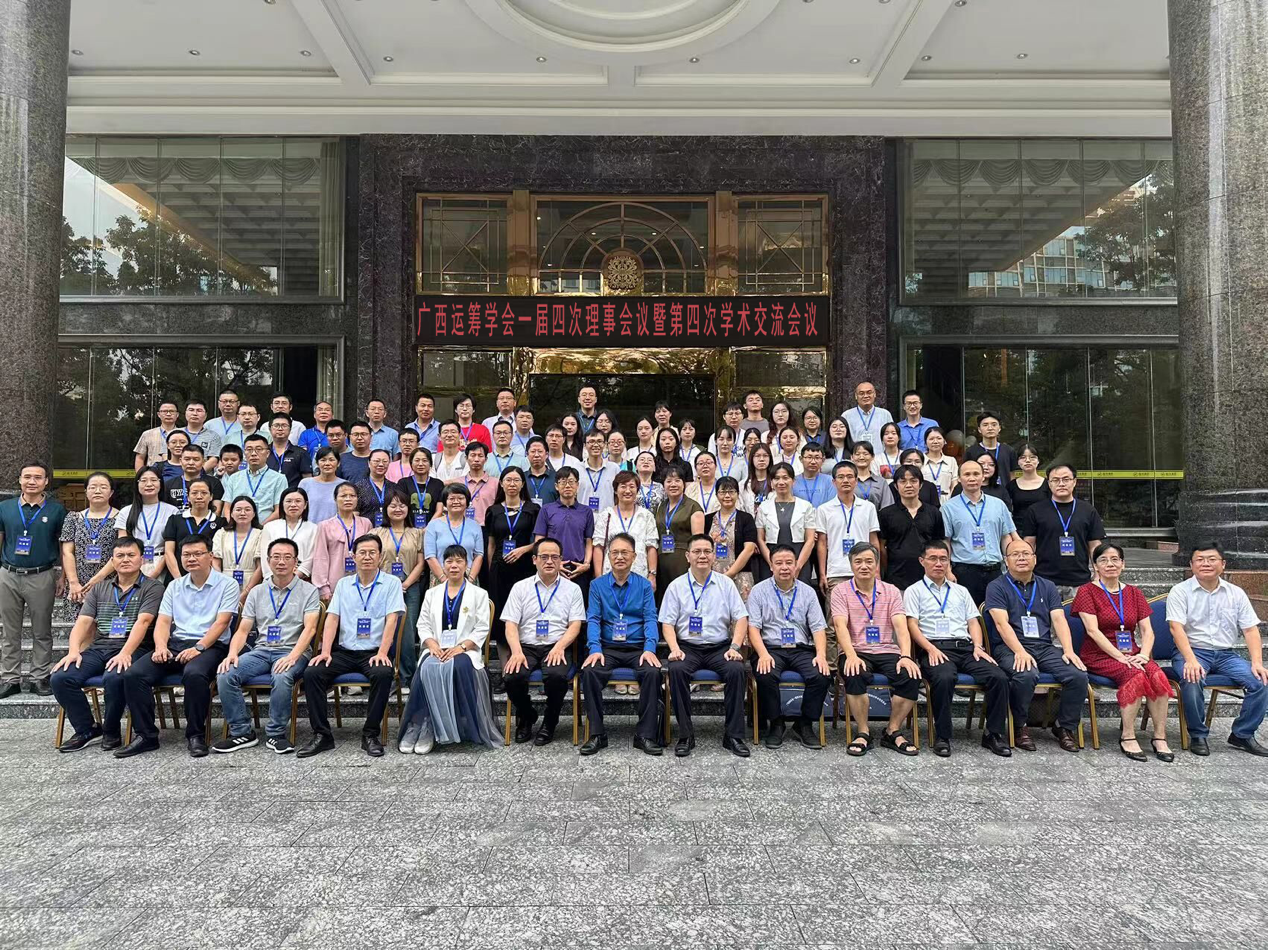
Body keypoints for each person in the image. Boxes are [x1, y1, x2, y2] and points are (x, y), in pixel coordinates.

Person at [116, 535, 238, 758]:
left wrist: (199, 648)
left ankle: (196, 735)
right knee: (134, 674)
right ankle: (146, 735)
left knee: (194, 674)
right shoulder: (174, 586)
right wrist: (161, 646)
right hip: (175, 644)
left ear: (210, 556)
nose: (192, 559)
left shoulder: (227, 584)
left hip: (211, 646)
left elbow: (222, 623)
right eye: (186, 554)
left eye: (198, 554)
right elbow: (163, 622)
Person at [50, 538, 163, 751]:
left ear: (142, 559)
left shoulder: (153, 587)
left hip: (136, 648)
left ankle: (111, 730)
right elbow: (83, 622)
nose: (125, 560)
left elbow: (144, 622)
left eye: (131, 555)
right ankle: (87, 729)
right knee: (61, 677)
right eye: (120, 556)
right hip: (100, 646)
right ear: (112, 561)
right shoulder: (100, 588)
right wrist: (73, 651)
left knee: (115, 676)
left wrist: (125, 653)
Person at [300, 534, 406, 758]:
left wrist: (383, 652)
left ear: (380, 556)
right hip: (344, 652)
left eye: (372, 553)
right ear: (353, 556)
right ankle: (322, 735)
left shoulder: (391, 583)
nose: (367, 557)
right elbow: (332, 618)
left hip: (374, 652)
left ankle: (370, 734)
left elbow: (392, 620)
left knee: (382, 673)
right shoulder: (343, 584)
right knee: (312, 673)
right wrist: (325, 651)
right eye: (362, 553)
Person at [213, 537, 322, 754]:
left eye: (287, 557)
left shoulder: (309, 590)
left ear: (296, 562)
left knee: (282, 676)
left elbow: (310, 629)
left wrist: (292, 657)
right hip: (261, 651)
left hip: (293, 650)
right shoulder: (257, 592)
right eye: (276, 557)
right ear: (268, 560)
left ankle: (275, 734)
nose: (281, 562)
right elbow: (243, 630)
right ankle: (242, 732)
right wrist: (232, 653)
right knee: (226, 673)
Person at [903, 539, 1011, 757]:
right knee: (944, 678)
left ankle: (993, 734)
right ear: (922, 561)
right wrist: (930, 649)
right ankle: (942, 736)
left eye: (943, 559)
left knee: (998, 677)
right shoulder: (914, 591)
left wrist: (978, 646)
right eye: (933, 559)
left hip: (966, 647)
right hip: (934, 647)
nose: (938, 563)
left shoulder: (961, 591)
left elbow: (973, 622)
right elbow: (912, 625)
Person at [1073, 542, 1175, 762]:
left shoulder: (1134, 593)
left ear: (1123, 564)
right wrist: (1120, 657)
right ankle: (1128, 735)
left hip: (1133, 653)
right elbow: (1092, 631)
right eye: (1103, 560)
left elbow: (1147, 630)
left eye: (1115, 559)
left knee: (1157, 675)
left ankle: (1159, 737)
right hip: (1099, 655)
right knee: (1135, 675)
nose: (1110, 564)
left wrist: (1144, 655)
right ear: (1095, 566)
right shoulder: (1086, 591)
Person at [985, 538, 1088, 753]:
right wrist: (1020, 651)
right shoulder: (996, 586)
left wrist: (1068, 650)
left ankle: (1064, 726)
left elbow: (1059, 619)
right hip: (1009, 647)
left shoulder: (1047, 586)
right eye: (1015, 554)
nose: (1021, 558)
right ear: (1006, 560)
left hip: (1044, 646)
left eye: (1026, 554)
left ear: (1035, 558)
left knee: (1077, 674)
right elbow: (1001, 624)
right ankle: (1019, 726)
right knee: (1026, 674)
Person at [1166, 543, 1268, 757]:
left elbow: (1250, 629)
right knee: (1192, 677)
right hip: (1193, 651)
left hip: (1225, 654)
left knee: (1260, 681)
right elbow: (1176, 628)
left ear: (1223, 564)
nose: (1206, 563)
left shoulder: (1236, 593)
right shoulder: (1180, 591)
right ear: (1191, 565)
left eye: (1212, 559)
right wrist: (1190, 659)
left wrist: (1257, 662)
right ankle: (1198, 735)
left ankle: (1242, 734)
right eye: (1200, 559)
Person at [398, 544, 499, 754]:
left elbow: (482, 628)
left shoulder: (479, 594)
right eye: (449, 561)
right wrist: (432, 645)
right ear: (443, 565)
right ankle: (422, 724)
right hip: (436, 648)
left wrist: (461, 647)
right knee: (427, 667)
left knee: (457, 666)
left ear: (466, 565)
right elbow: (422, 624)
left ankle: (436, 725)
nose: (454, 566)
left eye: (459, 561)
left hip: (465, 651)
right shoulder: (432, 593)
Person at [660, 534, 751, 757]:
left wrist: (735, 647)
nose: (702, 556)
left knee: (736, 670)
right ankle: (685, 735)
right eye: (697, 551)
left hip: (720, 647)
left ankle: (734, 736)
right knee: (677, 669)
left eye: (707, 551)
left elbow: (741, 618)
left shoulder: (726, 584)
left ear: (713, 556)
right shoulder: (676, 586)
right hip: (687, 647)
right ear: (687, 556)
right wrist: (674, 648)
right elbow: (667, 623)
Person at [831, 542, 919, 756]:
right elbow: (840, 626)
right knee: (854, 673)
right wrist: (850, 655)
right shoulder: (840, 591)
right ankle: (863, 732)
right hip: (856, 650)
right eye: (858, 562)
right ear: (851, 565)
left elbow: (901, 626)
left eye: (869, 561)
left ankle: (892, 730)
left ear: (877, 564)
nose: (864, 566)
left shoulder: (891, 591)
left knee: (910, 675)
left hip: (887, 649)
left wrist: (906, 656)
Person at [579, 533, 663, 756]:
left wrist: (650, 648)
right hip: (607, 647)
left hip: (637, 647)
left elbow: (650, 618)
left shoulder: (644, 586)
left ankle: (645, 735)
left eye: (624, 552)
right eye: (615, 552)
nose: (619, 557)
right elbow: (593, 618)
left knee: (652, 672)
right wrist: (595, 648)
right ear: (608, 556)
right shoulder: (597, 585)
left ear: (634, 556)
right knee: (590, 671)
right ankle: (597, 734)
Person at [501, 537, 586, 745]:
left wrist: (559, 647)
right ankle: (527, 715)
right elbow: (510, 624)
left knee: (557, 676)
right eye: (544, 557)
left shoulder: (572, 589)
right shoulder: (520, 587)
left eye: (554, 557)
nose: (549, 561)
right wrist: (516, 651)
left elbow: (575, 625)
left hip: (557, 645)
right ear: (534, 560)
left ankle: (550, 721)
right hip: (526, 647)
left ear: (561, 560)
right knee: (512, 677)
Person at [748, 544, 831, 750]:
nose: (784, 567)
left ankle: (804, 723)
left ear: (796, 566)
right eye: (779, 563)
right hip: (770, 648)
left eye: (789, 563)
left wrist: (821, 654)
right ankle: (776, 723)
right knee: (765, 674)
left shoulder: (808, 592)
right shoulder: (759, 591)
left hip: (801, 648)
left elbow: (818, 628)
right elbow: (753, 628)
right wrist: (763, 654)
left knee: (821, 674)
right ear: (771, 566)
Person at [1019, 464, 1106, 600]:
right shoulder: (1035, 510)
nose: (1061, 484)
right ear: (1049, 484)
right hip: (1044, 580)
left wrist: (1098, 572)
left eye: (1066, 479)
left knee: (1079, 615)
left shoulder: (1088, 510)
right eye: (1055, 480)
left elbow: (1095, 546)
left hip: (1079, 580)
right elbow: (1028, 545)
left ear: (1074, 482)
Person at [941, 458, 1018, 608]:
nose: (972, 478)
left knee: (998, 613)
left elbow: (1005, 537)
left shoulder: (998, 505)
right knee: (968, 615)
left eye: (976, 474)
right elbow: (946, 542)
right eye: (967, 474)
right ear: (959, 479)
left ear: (983, 477)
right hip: (965, 571)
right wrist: (948, 571)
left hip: (995, 571)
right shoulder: (948, 508)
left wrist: (1010, 566)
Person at [373, 488, 426, 682]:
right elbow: (372, 561)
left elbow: (421, 563)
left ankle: (406, 676)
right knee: (383, 629)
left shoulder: (417, 533)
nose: (397, 509)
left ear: (408, 509)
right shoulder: (376, 533)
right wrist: (393, 586)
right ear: (386, 509)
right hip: (382, 587)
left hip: (410, 587)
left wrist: (404, 584)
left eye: (402, 505)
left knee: (407, 631)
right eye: (393, 505)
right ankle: (384, 674)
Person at [485, 467, 540, 648]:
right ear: (501, 483)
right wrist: (491, 569)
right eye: (508, 480)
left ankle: (522, 651)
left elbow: (539, 541)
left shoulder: (533, 509)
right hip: (500, 569)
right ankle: (503, 657)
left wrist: (523, 550)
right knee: (501, 613)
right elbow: (491, 544)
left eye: (516, 480)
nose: (512, 484)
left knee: (523, 610)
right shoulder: (493, 511)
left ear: (523, 484)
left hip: (524, 568)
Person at [815, 461, 881, 605]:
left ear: (856, 481)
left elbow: (874, 541)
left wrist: (877, 570)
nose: (845, 480)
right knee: (835, 616)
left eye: (850, 477)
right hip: (836, 571)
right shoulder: (824, 509)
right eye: (841, 477)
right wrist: (822, 573)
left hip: (865, 570)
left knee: (865, 613)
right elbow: (822, 543)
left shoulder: (868, 507)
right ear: (833, 482)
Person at [878, 464, 946, 590]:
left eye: (913, 481)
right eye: (903, 481)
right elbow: (881, 547)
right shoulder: (885, 514)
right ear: (895, 486)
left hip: (928, 579)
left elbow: (940, 544)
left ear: (921, 485)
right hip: (896, 579)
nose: (908, 485)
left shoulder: (934, 512)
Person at [533, 468, 594, 600]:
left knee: (578, 608)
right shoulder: (546, 510)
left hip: (578, 569)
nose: (567, 486)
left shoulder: (586, 511)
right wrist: (553, 564)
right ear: (556, 486)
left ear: (577, 485)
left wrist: (586, 564)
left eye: (571, 482)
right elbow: (539, 541)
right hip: (552, 568)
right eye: (563, 482)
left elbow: (589, 541)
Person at [59, 471, 118, 606]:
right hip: (77, 585)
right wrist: (74, 582)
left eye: (103, 487)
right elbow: (67, 552)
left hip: (109, 581)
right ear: (86, 492)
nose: (97, 491)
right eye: (92, 487)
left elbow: (120, 553)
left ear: (111, 492)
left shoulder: (121, 518)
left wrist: (97, 580)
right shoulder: (73, 518)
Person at [755, 463, 817, 585]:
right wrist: (772, 564)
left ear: (793, 481)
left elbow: (810, 540)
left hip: (799, 558)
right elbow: (760, 539)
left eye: (785, 478)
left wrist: (797, 566)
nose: (781, 482)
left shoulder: (806, 506)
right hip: (770, 561)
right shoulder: (764, 507)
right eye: (776, 478)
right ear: (771, 482)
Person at [312, 482, 372, 601]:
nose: (348, 499)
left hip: (363, 582)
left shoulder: (366, 523)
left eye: (352, 496)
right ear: (335, 499)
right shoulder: (325, 526)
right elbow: (320, 557)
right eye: (343, 496)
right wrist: (323, 587)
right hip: (334, 584)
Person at [114, 468, 177, 583]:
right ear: (137, 484)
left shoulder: (172, 511)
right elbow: (122, 545)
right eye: (143, 480)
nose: (149, 484)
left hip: (163, 564)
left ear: (160, 483)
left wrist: (155, 573)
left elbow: (171, 547)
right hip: (134, 564)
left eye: (153, 480)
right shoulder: (126, 512)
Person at [593, 471, 658, 581]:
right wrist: (599, 577)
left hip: (639, 575)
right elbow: (599, 547)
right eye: (623, 487)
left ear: (637, 490)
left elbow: (651, 547)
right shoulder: (606, 515)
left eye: (632, 487)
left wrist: (652, 575)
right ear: (615, 490)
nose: (628, 491)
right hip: (610, 576)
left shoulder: (646, 516)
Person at [703, 477, 757, 602]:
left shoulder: (746, 519)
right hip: (712, 577)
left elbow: (749, 549)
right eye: (723, 492)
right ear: (716, 495)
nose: (727, 496)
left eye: (731, 492)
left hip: (740, 576)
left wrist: (729, 575)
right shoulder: (707, 519)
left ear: (737, 494)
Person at [653, 469, 704, 602]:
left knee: (683, 598)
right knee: (664, 599)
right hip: (661, 559)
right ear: (664, 485)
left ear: (684, 484)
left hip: (683, 561)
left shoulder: (693, 507)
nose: (673, 484)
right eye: (669, 481)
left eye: (677, 480)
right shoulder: (661, 506)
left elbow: (698, 541)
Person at [424, 484, 484, 587]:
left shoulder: (475, 526)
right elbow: (430, 556)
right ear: (445, 502)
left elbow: (479, 555)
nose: (456, 502)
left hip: (468, 577)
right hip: (441, 577)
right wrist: (443, 580)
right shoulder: (433, 525)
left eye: (460, 498)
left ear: (467, 502)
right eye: (451, 498)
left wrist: (470, 580)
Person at [213, 496, 263, 613]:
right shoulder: (222, 533)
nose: (242, 513)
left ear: (254, 514)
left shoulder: (261, 534)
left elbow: (260, 567)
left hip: (251, 582)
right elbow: (215, 562)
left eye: (247, 509)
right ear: (231, 513)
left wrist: (246, 592)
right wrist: (222, 584)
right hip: (224, 581)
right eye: (238, 509)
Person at [161, 477, 218, 577]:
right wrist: (179, 580)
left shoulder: (220, 522)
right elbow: (169, 552)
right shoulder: (175, 520)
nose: (199, 497)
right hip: (177, 576)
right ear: (188, 497)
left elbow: (217, 557)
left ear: (211, 497)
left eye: (204, 493)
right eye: (194, 493)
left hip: (208, 578)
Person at [222, 435, 286, 523]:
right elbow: (227, 507)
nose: (253, 454)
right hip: (237, 527)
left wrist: (260, 527)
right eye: (249, 449)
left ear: (267, 453)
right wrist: (230, 525)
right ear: (244, 453)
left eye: (258, 449)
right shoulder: (234, 478)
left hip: (267, 527)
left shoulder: (279, 479)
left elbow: (279, 510)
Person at [260, 487, 317, 584]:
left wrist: (296, 576)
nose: (293, 505)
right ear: (282, 504)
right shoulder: (270, 527)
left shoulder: (314, 528)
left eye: (298, 501)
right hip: (273, 580)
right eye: (289, 501)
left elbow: (312, 556)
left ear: (305, 505)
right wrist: (272, 577)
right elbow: (265, 555)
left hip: (301, 579)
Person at [395, 447, 443, 528]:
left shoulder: (438, 484)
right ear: (411, 463)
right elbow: (400, 507)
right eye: (417, 460)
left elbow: (439, 510)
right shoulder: (403, 483)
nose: (420, 464)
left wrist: (428, 528)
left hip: (432, 528)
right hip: (408, 529)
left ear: (430, 464)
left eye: (424, 460)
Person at [965, 413, 1017, 486]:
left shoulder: (1009, 451)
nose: (990, 428)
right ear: (979, 429)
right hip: (979, 491)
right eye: (985, 425)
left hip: (1004, 491)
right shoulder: (971, 452)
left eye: (994, 425)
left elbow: (1012, 475)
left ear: (999, 428)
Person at [298, 447, 346, 524]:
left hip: (335, 528)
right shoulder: (305, 483)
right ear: (317, 463)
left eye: (331, 460)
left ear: (338, 463)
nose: (327, 463)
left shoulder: (344, 485)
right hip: (309, 528)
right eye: (323, 460)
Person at [577, 429, 620, 515]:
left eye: (599, 441)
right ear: (585, 445)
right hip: (582, 517)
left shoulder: (614, 468)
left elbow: (618, 496)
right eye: (591, 441)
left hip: (608, 518)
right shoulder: (577, 468)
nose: (596, 445)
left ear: (605, 444)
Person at [265, 413, 312, 489]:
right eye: (276, 425)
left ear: (290, 429)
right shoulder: (263, 452)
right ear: (270, 429)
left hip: (292, 494)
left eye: (284, 426)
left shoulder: (300, 453)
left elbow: (307, 480)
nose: (280, 429)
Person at [843, 381, 894, 449]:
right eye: (861, 393)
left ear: (874, 394)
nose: (865, 396)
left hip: (879, 455)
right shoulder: (847, 416)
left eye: (869, 392)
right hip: (856, 455)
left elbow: (892, 437)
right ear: (856, 396)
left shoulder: (885, 414)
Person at [1006, 443, 1049, 522]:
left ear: (1038, 461)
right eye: (1023, 457)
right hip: (1018, 527)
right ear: (1018, 462)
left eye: (1032, 457)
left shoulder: (1048, 484)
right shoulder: (1011, 486)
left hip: (1043, 526)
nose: (1028, 460)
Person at [459, 443, 499, 526]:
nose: (476, 459)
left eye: (480, 456)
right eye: (473, 455)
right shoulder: (458, 483)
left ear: (486, 459)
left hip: (488, 527)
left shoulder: (496, 483)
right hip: (463, 527)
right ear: (466, 458)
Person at [133, 400, 181, 471]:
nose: (168, 414)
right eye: (164, 411)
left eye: (172, 411)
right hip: (152, 474)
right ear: (159, 414)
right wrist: (141, 475)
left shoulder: (183, 435)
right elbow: (140, 458)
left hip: (177, 474)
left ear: (177, 414)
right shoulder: (147, 434)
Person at [354, 450, 395, 524]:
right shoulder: (358, 487)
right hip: (366, 529)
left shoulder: (394, 487)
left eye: (385, 461)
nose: (381, 464)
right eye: (376, 461)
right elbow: (355, 514)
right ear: (369, 463)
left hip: (390, 529)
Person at [181, 400, 224, 471]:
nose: (195, 413)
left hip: (202, 475)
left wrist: (197, 473)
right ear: (185, 413)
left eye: (199, 410)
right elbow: (167, 455)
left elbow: (213, 460)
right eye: (191, 410)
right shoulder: (175, 433)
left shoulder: (213, 436)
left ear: (205, 415)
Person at [850, 442, 894, 510]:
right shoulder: (848, 481)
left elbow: (888, 507)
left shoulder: (881, 482)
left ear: (872, 457)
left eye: (865, 454)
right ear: (852, 457)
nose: (861, 457)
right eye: (857, 454)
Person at [921, 428, 958, 501]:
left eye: (939, 438)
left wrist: (952, 501)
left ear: (944, 441)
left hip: (947, 500)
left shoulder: (951, 461)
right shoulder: (920, 460)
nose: (935, 442)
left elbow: (954, 483)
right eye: (931, 439)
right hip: (925, 501)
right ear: (925, 442)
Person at [793, 443, 833, 508]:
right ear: (801, 459)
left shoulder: (830, 481)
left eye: (817, 458)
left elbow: (831, 505)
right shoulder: (793, 481)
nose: (813, 462)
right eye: (809, 457)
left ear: (823, 460)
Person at [523, 437, 558, 507]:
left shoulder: (556, 477)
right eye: (533, 451)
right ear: (527, 454)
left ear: (547, 454)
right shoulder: (521, 478)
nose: (536, 455)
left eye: (540, 451)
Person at [740, 443, 773, 515]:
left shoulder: (776, 483)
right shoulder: (742, 485)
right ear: (752, 459)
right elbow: (741, 510)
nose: (761, 459)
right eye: (757, 456)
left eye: (765, 456)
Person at [686, 451, 721, 516]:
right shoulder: (690, 489)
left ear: (716, 466)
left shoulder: (723, 487)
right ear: (695, 468)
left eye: (709, 462)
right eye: (701, 463)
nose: (705, 466)